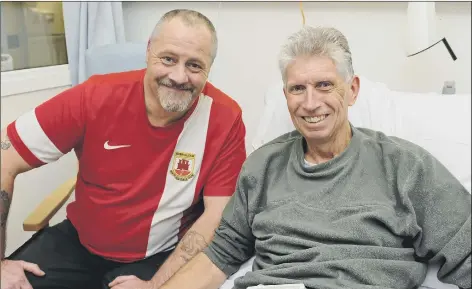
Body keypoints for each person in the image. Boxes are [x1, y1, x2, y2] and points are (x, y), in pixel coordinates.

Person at [157, 26, 472, 289]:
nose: (310, 103)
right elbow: (220, 254)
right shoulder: (262, 167)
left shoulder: (405, 168)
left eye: (324, 85)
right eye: (297, 88)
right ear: (285, 96)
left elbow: (466, 253)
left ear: (352, 90)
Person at [0, 9, 247, 289]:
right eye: (168, 59)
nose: (179, 77)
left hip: (160, 255)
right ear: (148, 52)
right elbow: (4, 155)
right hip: (79, 243)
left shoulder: (225, 118)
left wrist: (156, 285)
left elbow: (216, 216)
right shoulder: (94, 96)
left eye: (194, 65)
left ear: (208, 69)